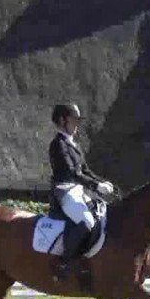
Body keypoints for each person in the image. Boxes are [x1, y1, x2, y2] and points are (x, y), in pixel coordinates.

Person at [48, 103, 114, 281]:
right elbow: (72, 173)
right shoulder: (58, 145)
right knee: (86, 222)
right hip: (64, 190)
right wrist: (95, 186)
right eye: (74, 120)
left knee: (101, 214)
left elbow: (85, 171)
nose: (77, 124)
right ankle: (64, 264)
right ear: (63, 121)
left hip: (79, 189)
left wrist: (101, 181)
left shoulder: (73, 144)